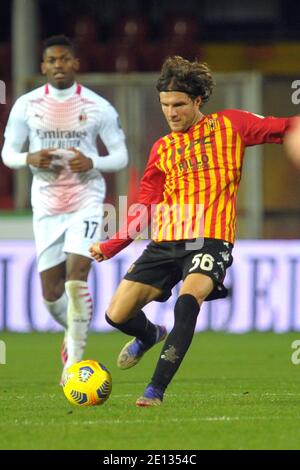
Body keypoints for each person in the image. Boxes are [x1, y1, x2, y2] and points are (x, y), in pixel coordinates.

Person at [89, 56, 295, 407]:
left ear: (198, 100)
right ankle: (150, 334)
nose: (171, 112)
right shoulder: (162, 149)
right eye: (166, 105)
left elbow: (285, 126)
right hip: (167, 242)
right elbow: (145, 205)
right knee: (116, 315)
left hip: (211, 240)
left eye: (179, 104)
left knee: (188, 302)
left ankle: (154, 390)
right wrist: (111, 246)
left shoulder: (231, 125)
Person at [1, 35, 128, 381]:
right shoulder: (26, 106)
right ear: (43, 66)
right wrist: (30, 157)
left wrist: (94, 161)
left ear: (75, 63)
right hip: (46, 205)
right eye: (52, 61)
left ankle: (73, 363)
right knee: (51, 294)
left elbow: (121, 156)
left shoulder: (98, 106)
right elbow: (8, 154)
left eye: (65, 59)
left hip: (86, 199)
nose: (59, 65)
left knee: (76, 280)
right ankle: (74, 330)